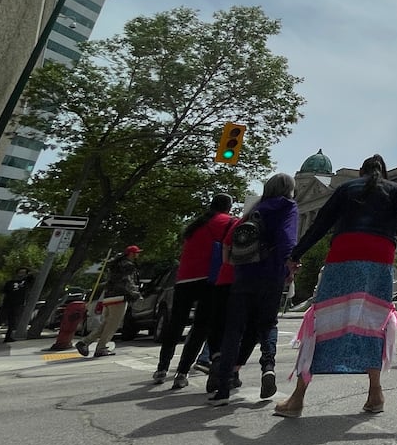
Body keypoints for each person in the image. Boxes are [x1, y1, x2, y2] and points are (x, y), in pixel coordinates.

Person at [274, 154, 397, 418]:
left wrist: (295, 255)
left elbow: (319, 224)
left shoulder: (347, 189)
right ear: (383, 173)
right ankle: (375, 394)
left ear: (361, 172)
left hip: (343, 256)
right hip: (380, 258)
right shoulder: (394, 189)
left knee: (322, 320)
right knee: (374, 322)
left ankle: (298, 398)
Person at [208, 174, 299, 405]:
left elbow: (230, 240)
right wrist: (291, 265)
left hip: (243, 275)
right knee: (268, 324)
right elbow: (288, 238)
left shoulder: (255, 209)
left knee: (233, 329)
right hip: (271, 275)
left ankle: (223, 390)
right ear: (289, 189)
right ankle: (268, 367)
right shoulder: (287, 207)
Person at [152, 193, 236, 386]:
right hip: (210, 278)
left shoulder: (195, 225)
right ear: (228, 207)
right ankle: (182, 373)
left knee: (175, 324)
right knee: (200, 327)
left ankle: (162, 368)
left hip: (184, 278)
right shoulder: (229, 222)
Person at [76, 246, 142, 358]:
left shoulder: (116, 264)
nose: (138, 255)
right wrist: (136, 294)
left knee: (106, 324)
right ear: (131, 254)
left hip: (108, 297)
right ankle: (101, 348)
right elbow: (127, 282)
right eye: (137, 253)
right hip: (119, 298)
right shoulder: (128, 266)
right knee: (112, 325)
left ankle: (85, 342)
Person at [0, 267, 34, 344]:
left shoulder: (26, 282)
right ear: (17, 273)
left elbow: (34, 274)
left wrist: (29, 272)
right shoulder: (9, 282)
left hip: (18, 305)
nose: (21, 274)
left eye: (23, 273)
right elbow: (4, 293)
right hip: (7, 304)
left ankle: (8, 337)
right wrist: (1, 303)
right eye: (20, 272)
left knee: (12, 322)